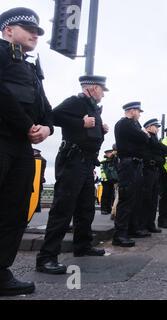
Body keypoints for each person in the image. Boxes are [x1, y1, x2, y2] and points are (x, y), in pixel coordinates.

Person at [0, 7, 53, 296]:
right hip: (4, 138)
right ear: (8, 30)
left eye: (37, 31)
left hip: (21, 146)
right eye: (28, 28)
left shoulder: (31, 67)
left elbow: (45, 106)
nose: (35, 34)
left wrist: (47, 128)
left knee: (15, 209)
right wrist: (27, 126)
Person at [36, 75, 109, 274]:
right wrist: (80, 122)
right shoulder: (75, 101)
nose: (103, 93)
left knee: (86, 207)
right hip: (72, 161)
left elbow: (91, 136)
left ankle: (82, 246)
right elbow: (53, 115)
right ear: (93, 88)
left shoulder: (92, 107)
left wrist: (101, 129)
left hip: (86, 163)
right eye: (102, 89)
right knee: (63, 208)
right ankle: (46, 257)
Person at [113, 102, 149, 246]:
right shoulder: (125, 124)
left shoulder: (133, 124)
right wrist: (144, 134)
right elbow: (143, 138)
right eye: (138, 112)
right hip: (128, 164)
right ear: (132, 111)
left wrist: (143, 134)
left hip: (135, 164)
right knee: (126, 198)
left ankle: (132, 229)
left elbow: (144, 139)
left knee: (135, 198)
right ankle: (120, 235)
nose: (140, 115)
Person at [141, 118, 167, 233]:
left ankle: (150, 224)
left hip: (155, 169)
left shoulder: (155, 139)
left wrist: (159, 146)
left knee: (153, 199)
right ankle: (144, 225)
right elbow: (161, 149)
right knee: (146, 198)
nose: (158, 129)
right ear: (149, 127)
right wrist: (158, 146)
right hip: (147, 169)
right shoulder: (146, 137)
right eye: (156, 127)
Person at [100, 149, 118, 215]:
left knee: (111, 195)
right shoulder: (104, 161)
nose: (111, 153)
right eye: (109, 153)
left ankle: (108, 208)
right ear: (106, 154)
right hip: (105, 180)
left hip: (112, 180)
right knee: (105, 194)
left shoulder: (113, 160)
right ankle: (104, 209)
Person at [33, 149, 47, 213]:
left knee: (37, 196)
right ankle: (36, 209)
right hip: (37, 181)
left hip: (38, 181)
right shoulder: (41, 159)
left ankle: (37, 209)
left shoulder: (40, 160)